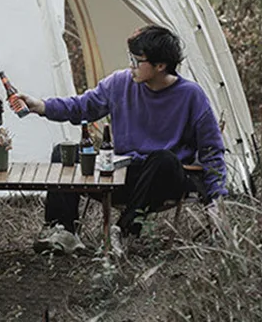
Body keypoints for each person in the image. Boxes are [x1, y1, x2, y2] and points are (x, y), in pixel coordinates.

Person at [19, 25, 227, 255]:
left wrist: (215, 200)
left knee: (164, 159)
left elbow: (211, 150)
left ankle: (122, 231)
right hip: (122, 173)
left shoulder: (191, 95)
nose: (131, 66)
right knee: (64, 152)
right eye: (130, 58)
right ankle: (65, 230)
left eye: (137, 61)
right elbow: (82, 107)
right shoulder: (120, 83)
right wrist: (41, 106)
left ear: (160, 66)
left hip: (163, 180)